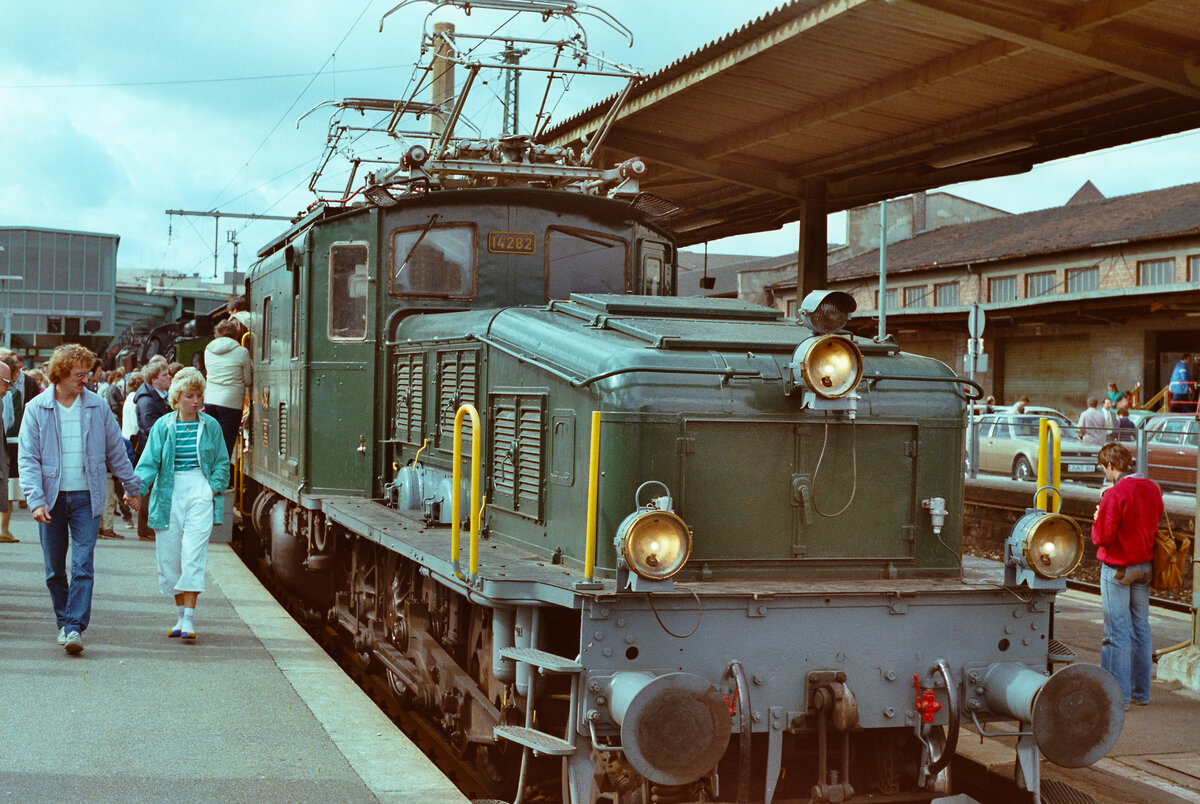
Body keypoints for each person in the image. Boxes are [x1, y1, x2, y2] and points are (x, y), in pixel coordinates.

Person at [17, 344, 141, 655]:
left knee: (83, 563)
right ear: (59, 375)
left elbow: (117, 449)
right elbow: (28, 459)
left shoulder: (97, 407)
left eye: (87, 373)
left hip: (88, 495)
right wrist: (35, 501)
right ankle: (64, 620)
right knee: (53, 569)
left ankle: (73, 626)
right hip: (51, 498)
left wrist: (132, 486)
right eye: (78, 375)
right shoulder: (36, 409)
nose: (85, 380)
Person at [135, 368, 230, 641]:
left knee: (193, 553)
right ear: (177, 397)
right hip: (169, 491)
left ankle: (189, 619)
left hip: (200, 489)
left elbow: (222, 461)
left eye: (199, 395)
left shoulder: (210, 425)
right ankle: (179, 618)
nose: (196, 401)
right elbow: (149, 462)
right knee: (169, 557)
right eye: (189, 396)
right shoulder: (163, 426)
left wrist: (212, 489)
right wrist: (137, 491)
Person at [1091, 442, 1163, 710]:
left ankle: (1115, 697)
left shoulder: (1115, 493)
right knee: (1141, 629)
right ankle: (1141, 693)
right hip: (1144, 567)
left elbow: (1103, 537)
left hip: (1119, 568)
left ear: (1111, 466)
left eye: (1104, 469)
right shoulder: (1153, 488)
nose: (1105, 475)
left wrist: (1098, 517)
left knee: (1116, 634)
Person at [1, 350, 41, 542]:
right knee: (7, 485)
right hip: (10, 442)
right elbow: (12, 421)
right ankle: (3, 528)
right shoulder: (15, 394)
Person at [134, 361, 173, 541]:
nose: (169, 377)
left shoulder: (156, 397)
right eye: (165, 375)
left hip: (156, 449)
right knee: (148, 491)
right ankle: (146, 530)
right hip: (150, 451)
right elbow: (150, 428)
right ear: (154, 379)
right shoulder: (148, 401)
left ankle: (148, 528)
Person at [203, 318, 252, 458]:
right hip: (231, 403)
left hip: (210, 400)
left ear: (217, 333)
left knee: (211, 444)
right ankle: (221, 478)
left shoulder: (208, 349)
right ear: (235, 333)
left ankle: (209, 476)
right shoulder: (242, 352)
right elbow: (248, 381)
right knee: (225, 446)